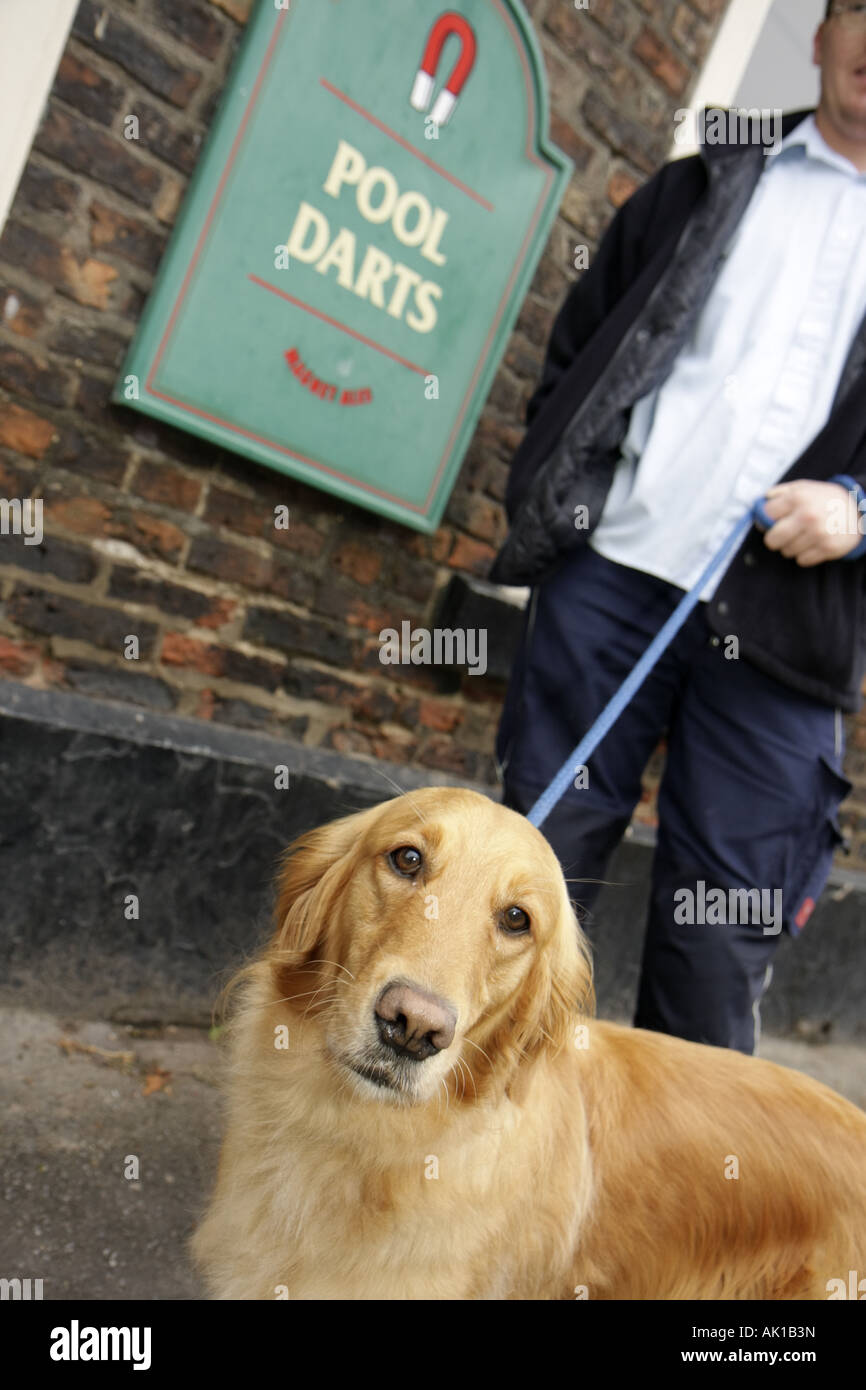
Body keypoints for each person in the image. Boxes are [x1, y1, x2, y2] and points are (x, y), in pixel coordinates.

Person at [489, 1, 866, 1053]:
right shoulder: (707, 175)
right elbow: (582, 343)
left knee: (713, 953)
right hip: (613, 580)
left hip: (786, 645)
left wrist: (857, 510)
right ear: (821, 31)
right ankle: (461, 1161)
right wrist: (561, 497)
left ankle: (671, 1209)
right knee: (525, 886)